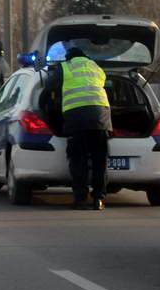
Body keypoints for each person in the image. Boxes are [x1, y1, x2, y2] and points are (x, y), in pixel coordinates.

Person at [45, 46, 111, 210]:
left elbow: (49, 86)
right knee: (99, 160)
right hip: (100, 117)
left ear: (68, 57)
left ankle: (81, 199)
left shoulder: (64, 67)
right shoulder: (95, 67)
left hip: (77, 118)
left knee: (78, 160)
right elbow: (103, 82)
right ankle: (99, 199)